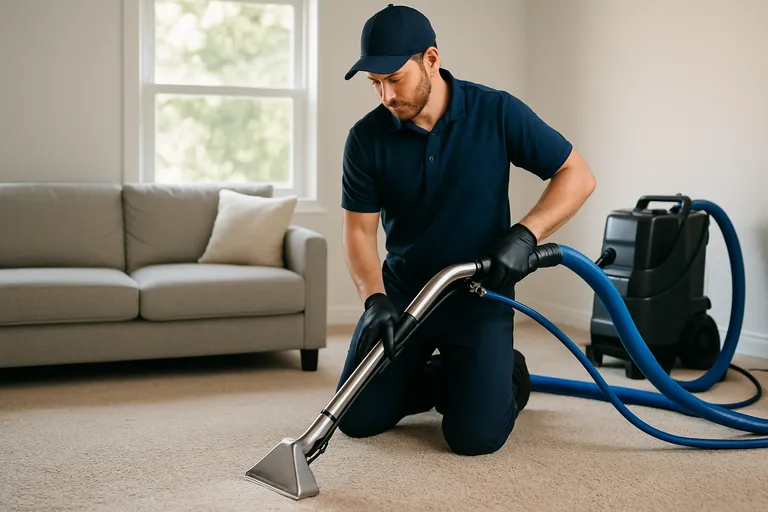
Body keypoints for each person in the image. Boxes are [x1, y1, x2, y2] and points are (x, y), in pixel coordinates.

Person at [336, 4, 596, 456]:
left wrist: (525, 234)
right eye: (375, 84)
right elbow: (360, 233)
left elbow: (577, 175)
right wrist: (373, 301)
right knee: (356, 418)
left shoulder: (495, 111)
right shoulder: (366, 138)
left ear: (431, 60)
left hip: (479, 295)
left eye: (394, 79)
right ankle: (447, 377)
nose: (386, 96)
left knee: (474, 438)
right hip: (406, 297)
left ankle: (506, 372)